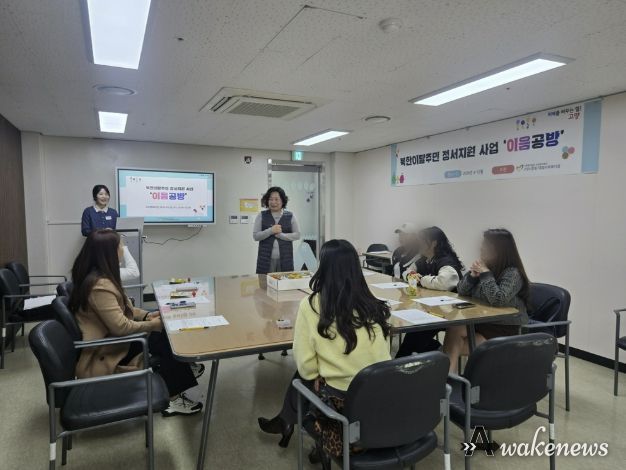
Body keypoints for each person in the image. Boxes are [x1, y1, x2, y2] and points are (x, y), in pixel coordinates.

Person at [257, 240, 391, 461]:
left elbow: (306, 367)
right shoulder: (372, 303)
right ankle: (286, 422)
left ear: (323, 267)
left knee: (303, 375)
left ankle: (288, 422)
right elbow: (383, 353)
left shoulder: (312, 305)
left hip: (341, 404)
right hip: (381, 396)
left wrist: (318, 374)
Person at [68, 229, 204, 416]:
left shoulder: (101, 277)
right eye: (121, 246)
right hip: (107, 349)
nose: (123, 249)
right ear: (109, 252)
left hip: (113, 338)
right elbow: (121, 327)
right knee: (165, 336)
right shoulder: (100, 286)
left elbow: (125, 309)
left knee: (164, 332)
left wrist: (148, 316)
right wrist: (153, 325)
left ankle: (182, 371)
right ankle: (173, 398)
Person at [443, 228, 530, 373]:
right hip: (482, 322)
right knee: (455, 328)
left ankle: (449, 377)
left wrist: (486, 274)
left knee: (451, 348)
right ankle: (450, 377)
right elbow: (461, 290)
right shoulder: (485, 266)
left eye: (486, 245)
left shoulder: (513, 273)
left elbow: (498, 299)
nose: (481, 248)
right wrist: (472, 276)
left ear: (499, 250)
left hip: (504, 327)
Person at [396, 226, 464, 357]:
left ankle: (401, 362)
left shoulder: (446, 260)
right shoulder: (423, 259)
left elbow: (444, 282)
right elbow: (407, 272)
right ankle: (436, 350)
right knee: (414, 334)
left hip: (447, 312)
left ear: (433, 243)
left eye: (422, 240)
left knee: (415, 334)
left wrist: (421, 279)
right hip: (430, 308)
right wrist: (411, 276)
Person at [253, 187, 301, 274]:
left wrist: (281, 235)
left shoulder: (290, 216)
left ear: (282, 201)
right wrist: (270, 231)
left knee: (285, 281)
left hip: (285, 259)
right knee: (265, 282)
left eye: (276, 199)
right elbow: (256, 236)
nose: (273, 202)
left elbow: (297, 235)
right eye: (270, 199)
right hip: (265, 260)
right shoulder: (261, 215)